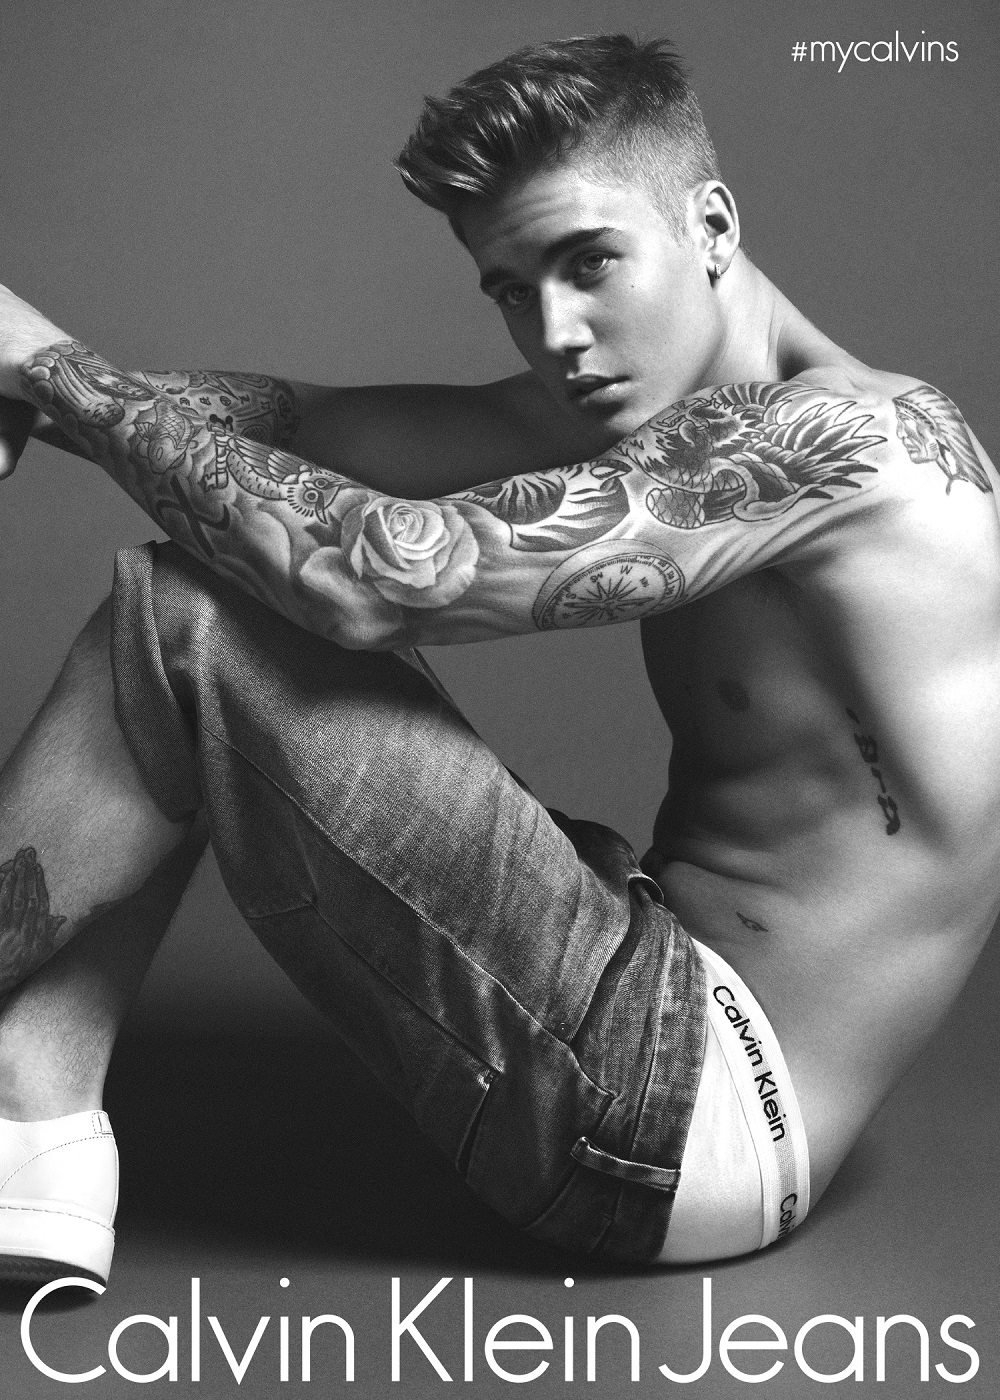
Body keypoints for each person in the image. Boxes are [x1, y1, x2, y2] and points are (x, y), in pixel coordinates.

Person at [0, 33, 997, 1283]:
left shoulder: (849, 444)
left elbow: (369, 576)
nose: (556, 331)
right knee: (204, 565)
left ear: (711, 226)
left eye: (589, 263)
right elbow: (313, 433)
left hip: (686, 1104)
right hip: (647, 1003)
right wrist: (47, 394)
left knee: (192, 606)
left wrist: (40, 363)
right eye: (512, 290)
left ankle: (30, 1113)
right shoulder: (645, 410)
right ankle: (29, 1110)